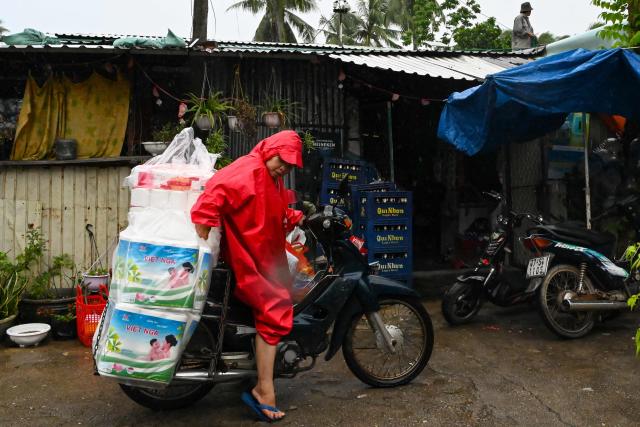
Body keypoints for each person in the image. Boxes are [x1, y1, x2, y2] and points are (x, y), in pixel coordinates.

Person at [190, 130, 304, 422]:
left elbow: (271, 209)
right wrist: (202, 226)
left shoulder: (270, 177)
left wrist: (293, 217)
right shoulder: (250, 168)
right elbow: (216, 190)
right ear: (271, 149)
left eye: (290, 166)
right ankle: (264, 389)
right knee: (275, 308)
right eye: (283, 160)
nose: (284, 167)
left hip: (264, 256)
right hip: (250, 260)